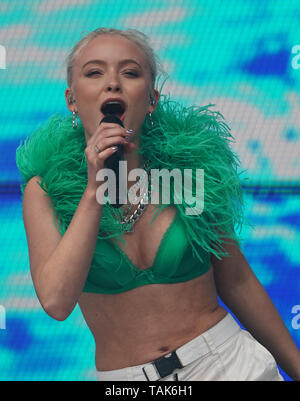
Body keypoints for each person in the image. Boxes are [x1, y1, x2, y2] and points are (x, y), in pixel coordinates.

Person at [16, 28, 300, 381]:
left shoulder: (190, 174)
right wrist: (94, 190)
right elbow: (56, 302)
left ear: (152, 99)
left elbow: (237, 280)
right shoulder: (44, 191)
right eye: (94, 72)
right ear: (72, 100)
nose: (113, 84)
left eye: (130, 72)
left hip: (227, 364)